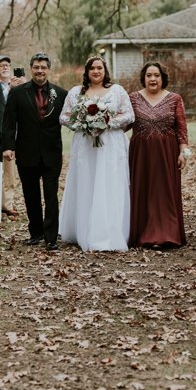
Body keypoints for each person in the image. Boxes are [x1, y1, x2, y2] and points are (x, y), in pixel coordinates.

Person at [58, 56, 134, 252]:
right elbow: (64, 116)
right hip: (85, 145)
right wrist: (84, 124)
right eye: (92, 68)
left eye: (99, 68)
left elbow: (129, 115)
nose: (96, 71)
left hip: (110, 144)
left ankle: (109, 232)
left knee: (109, 184)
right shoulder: (76, 93)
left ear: (105, 70)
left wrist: (107, 122)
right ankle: (84, 230)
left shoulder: (117, 91)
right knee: (87, 183)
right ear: (87, 72)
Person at [2, 52, 66, 250]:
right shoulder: (18, 92)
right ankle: (36, 232)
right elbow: (9, 122)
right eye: (36, 67)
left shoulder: (61, 94)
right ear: (31, 69)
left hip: (51, 152)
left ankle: (51, 237)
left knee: (51, 195)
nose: (40, 71)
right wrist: (8, 146)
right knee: (31, 195)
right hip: (26, 151)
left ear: (48, 70)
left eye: (43, 67)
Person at [127, 62, 189, 249]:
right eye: (148, 75)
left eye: (156, 75)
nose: (152, 79)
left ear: (163, 78)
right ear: (143, 78)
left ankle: (168, 234)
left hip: (166, 152)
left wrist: (183, 152)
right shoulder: (133, 98)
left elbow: (181, 128)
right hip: (141, 153)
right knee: (143, 190)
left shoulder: (174, 99)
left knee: (165, 192)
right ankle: (142, 233)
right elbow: (124, 124)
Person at [0, 54, 24, 215]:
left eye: (7, 65)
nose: (5, 67)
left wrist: (23, 89)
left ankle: (8, 203)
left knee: (10, 172)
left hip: (11, 133)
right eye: (1, 65)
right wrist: (11, 90)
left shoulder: (16, 86)